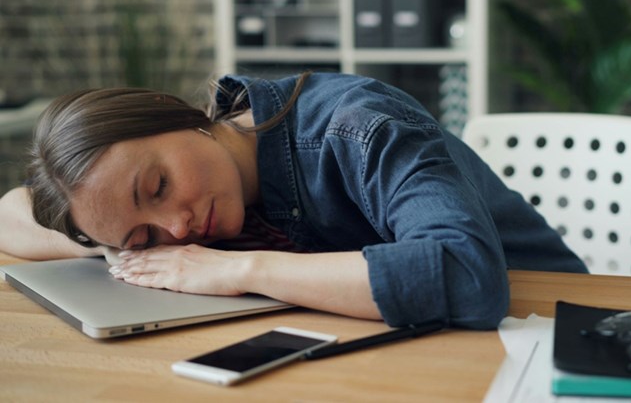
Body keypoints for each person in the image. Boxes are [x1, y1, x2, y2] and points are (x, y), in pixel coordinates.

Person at [0, 72, 587, 330]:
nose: (178, 227)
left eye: (156, 188)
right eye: (146, 235)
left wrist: (234, 268)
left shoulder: (359, 127)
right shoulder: (179, 216)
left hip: (550, 331)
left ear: (172, 109)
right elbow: (8, 212)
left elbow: (464, 275)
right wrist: (117, 247)